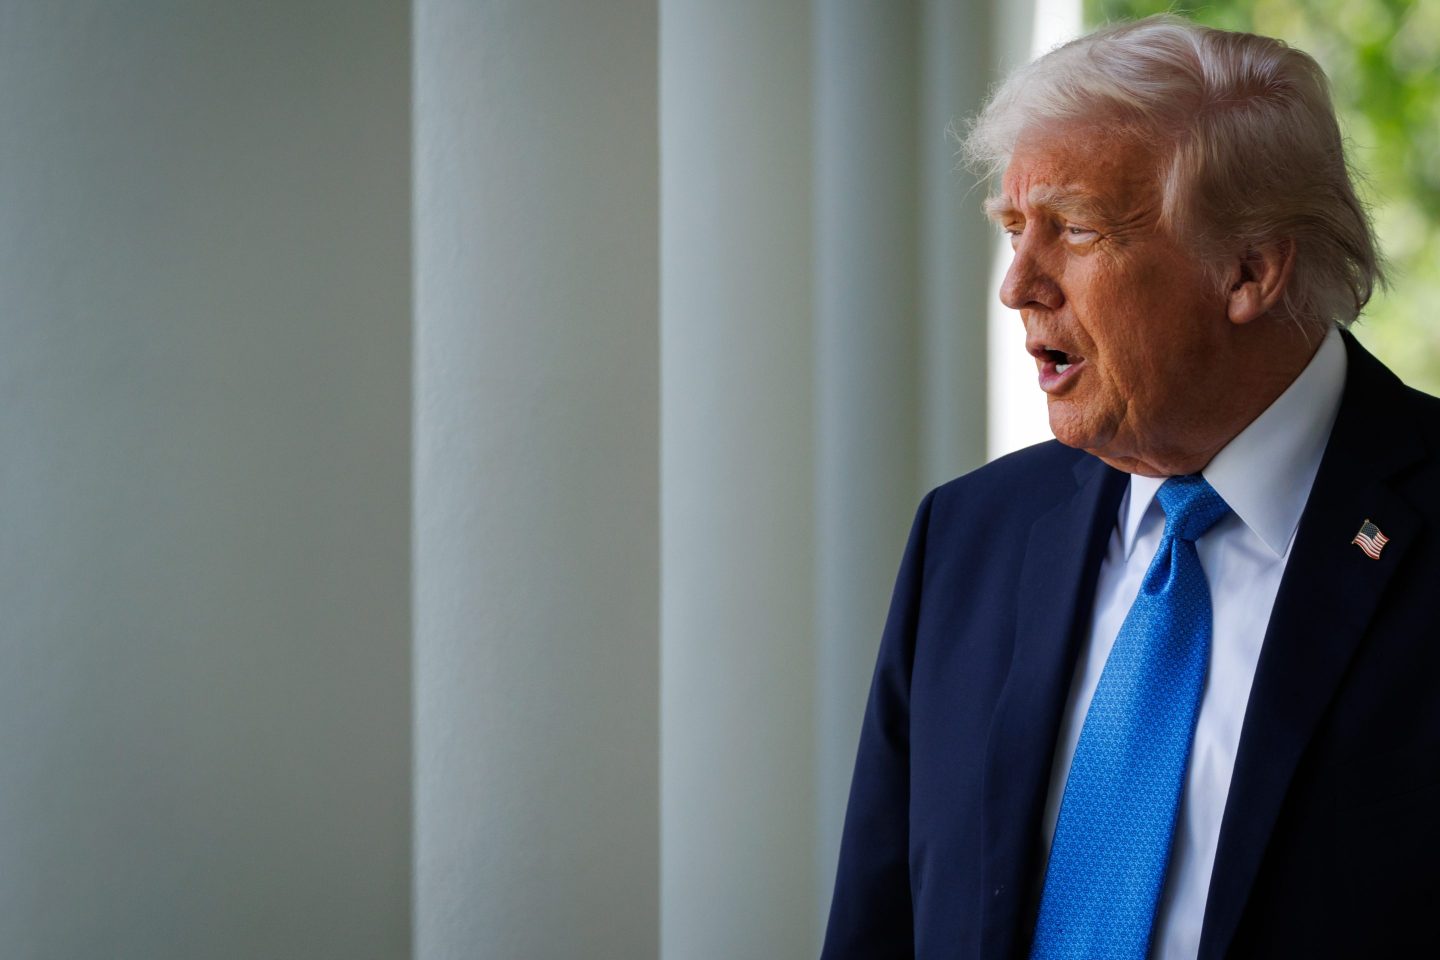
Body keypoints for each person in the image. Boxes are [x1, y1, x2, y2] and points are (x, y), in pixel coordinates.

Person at [821, 14, 1440, 960]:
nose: (1018, 285)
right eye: (1013, 229)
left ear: (1249, 270)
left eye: (1074, 229)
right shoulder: (968, 534)